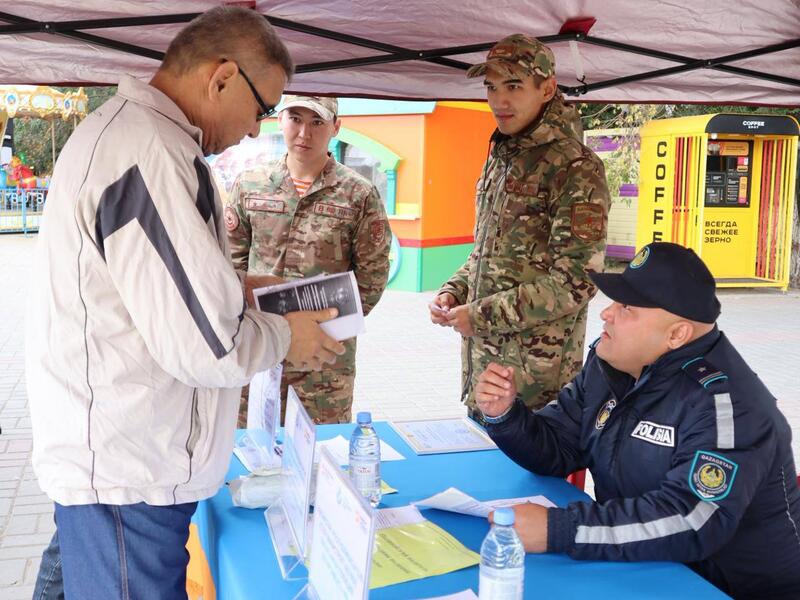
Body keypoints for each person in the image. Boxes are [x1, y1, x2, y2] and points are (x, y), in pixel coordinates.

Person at [26, 7, 346, 599]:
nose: (256, 131)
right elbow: (209, 348)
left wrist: (238, 287)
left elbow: (145, 284)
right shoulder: (150, 153)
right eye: (264, 109)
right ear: (222, 78)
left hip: (121, 460)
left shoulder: (133, 137)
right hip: (132, 475)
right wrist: (286, 336)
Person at [475, 242, 800, 599]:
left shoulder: (728, 407)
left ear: (676, 335)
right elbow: (558, 447)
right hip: (640, 567)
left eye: (626, 308)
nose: (606, 313)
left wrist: (561, 530)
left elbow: (691, 520)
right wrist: (505, 414)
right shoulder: (612, 366)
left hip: (726, 588)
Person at [429, 33, 610, 420]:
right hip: (485, 374)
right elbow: (487, 253)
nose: (499, 100)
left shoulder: (574, 167)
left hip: (536, 387)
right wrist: (454, 290)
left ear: (547, 89)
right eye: (491, 87)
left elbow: (577, 281)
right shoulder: (502, 157)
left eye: (513, 86)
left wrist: (480, 316)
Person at [226, 95, 391, 424]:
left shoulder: (358, 194)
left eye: (317, 122)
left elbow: (371, 280)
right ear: (280, 121)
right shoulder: (250, 185)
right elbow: (229, 268)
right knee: (249, 442)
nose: (305, 133)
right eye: (296, 119)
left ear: (336, 127)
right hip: (258, 348)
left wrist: (319, 329)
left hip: (323, 360)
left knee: (321, 447)